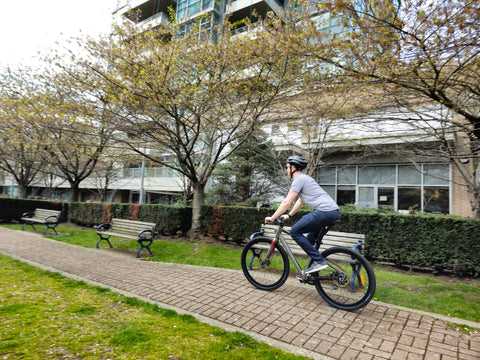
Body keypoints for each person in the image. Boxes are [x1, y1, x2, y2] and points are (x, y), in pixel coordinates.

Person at [265, 155, 341, 274]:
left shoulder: (299, 180)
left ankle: (320, 261)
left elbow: (286, 202)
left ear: (293, 167)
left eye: (287, 167)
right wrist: (289, 215)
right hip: (334, 213)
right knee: (310, 238)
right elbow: (300, 201)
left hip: (324, 212)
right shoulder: (306, 179)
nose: (286, 169)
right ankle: (310, 271)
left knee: (294, 232)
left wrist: (272, 218)